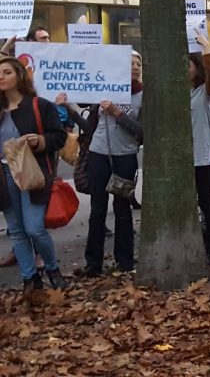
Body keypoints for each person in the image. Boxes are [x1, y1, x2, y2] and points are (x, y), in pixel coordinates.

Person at [0, 56, 68, 295]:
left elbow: (58, 137)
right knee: (16, 230)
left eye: (7, 72)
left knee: (34, 228)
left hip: (31, 172)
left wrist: (39, 141)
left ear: (19, 75)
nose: (1, 77)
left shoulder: (39, 105)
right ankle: (30, 278)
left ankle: (52, 270)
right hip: (4, 175)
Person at [76, 51, 143, 276]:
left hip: (125, 157)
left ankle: (124, 260)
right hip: (98, 154)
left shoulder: (143, 95)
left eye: (138, 63)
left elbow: (142, 132)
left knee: (122, 208)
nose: (135, 67)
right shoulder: (104, 89)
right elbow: (88, 127)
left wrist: (116, 113)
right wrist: (67, 107)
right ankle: (93, 263)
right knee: (97, 210)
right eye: (130, 63)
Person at [188, 33, 210, 266]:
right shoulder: (175, 94)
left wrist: (207, 49)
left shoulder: (206, 93)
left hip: (202, 158)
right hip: (182, 161)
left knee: (206, 203)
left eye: (187, 65)